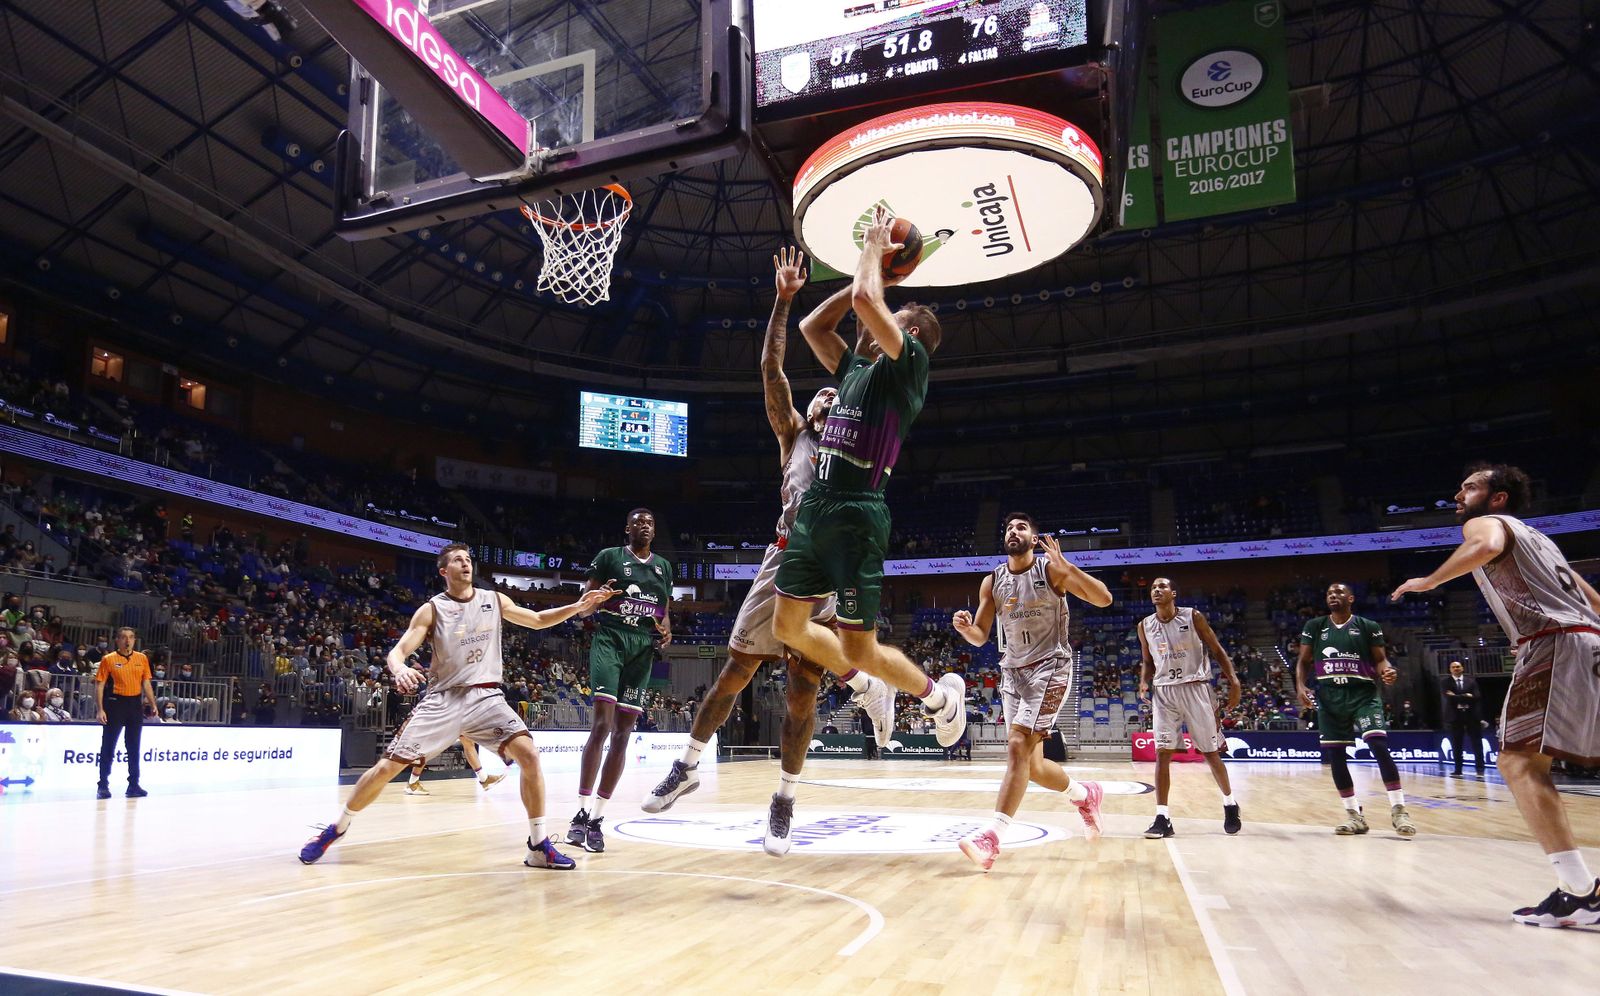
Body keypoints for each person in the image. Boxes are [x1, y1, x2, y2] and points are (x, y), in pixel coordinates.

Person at [642, 248, 857, 855]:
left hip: (824, 567)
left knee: (801, 695)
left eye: (829, 398)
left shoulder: (848, 444)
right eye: (814, 398)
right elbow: (772, 370)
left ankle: (784, 800)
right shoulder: (792, 436)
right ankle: (686, 766)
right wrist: (783, 301)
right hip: (780, 558)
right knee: (734, 671)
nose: (820, 400)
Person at [772, 206, 968, 753]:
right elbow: (816, 326)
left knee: (859, 645)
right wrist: (874, 273)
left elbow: (864, 301)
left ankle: (937, 699)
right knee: (787, 628)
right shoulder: (858, 371)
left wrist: (876, 265)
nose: (871, 320)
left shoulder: (909, 370)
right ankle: (868, 688)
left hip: (859, 513)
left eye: (889, 316)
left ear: (906, 333)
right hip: (818, 508)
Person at [298, 544, 615, 869]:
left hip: (487, 697)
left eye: (467, 559)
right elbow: (398, 651)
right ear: (443, 571)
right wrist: (400, 668)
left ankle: (537, 845)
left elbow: (536, 620)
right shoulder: (431, 610)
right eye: (457, 560)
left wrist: (578, 606)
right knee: (386, 769)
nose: (465, 563)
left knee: (530, 755)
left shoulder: (494, 600)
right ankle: (336, 829)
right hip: (443, 700)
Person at [1392, 463, 1600, 926]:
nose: (1458, 495)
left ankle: (1582, 892)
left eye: (1469, 487)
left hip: (1552, 641)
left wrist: (1428, 581)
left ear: (1498, 497)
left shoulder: (1488, 523)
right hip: (1588, 641)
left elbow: (1482, 545)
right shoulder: (1542, 540)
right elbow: (1594, 602)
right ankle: (1579, 890)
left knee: (1519, 762)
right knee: (1532, 762)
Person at [950, 514, 1113, 870]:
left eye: (1022, 527)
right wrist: (966, 629)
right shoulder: (992, 580)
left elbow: (1104, 599)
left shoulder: (1051, 570)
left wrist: (1069, 568)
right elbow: (981, 634)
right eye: (1009, 527)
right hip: (1013, 673)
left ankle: (991, 837)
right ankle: (1086, 795)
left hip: (1050, 667)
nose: (1014, 531)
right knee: (1032, 765)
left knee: (1016, 747)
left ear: (1035, 537)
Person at [567, 510, 672, 854]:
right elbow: (583, 609)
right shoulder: (609, 557)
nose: (644, 525)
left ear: (654, 531)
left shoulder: (664, 568)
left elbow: (664, 612)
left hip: (642, 648)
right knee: (602, 725)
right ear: (627, 528)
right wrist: (593, 602)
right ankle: (579, 812)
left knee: (624, 733)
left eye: (650, 522)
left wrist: (666, 630)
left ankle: (597, 817)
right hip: (611, 638)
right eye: (638, 521)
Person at [1295, 584, 1416, 837]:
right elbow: (1304, 661)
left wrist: (1387, 670)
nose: (1332, 596)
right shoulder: (1315, 626)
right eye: (1329, 593)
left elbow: (1381, 659)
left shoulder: (1368, 626)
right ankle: (1353, 815)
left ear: (1350, 598)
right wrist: (1300, 685)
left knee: (1379, 746)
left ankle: (1399, 810)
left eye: (1338, 593)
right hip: (1329, 697)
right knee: (1336, 756)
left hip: (1363, 694)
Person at [1137, 578, 1243, 838]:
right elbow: (1147, 661)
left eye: (1162, 587)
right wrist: (1142, 681)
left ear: (1173, 593)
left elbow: (1216, 650)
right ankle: (1163, 817)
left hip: (1196, 687)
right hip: (1164, 692)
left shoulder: (1193, 616)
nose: (1157, 591)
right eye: (1153, 588)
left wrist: (1234, 681)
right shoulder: (1144, 625)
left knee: (1210, 753)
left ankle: (1230, 804)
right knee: (1162, 753)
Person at [94, 627, 158, 798]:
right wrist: (100, 709)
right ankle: (103, 785)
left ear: (134, 640)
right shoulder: (108, 659)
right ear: (117, 640)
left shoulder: (142, 658)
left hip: (134, 704)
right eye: (123, 637)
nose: (127, 641)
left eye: (130, 637)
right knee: (109, 745)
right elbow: (99, 685)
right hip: (115, 703)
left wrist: (152, 703)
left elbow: (146, 683)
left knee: (134, 746)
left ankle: (133, 784)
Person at [406, 737, 506, 794]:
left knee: (468, 743)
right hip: (444, 714)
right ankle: (412, 783)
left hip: (453, 714)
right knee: (428, 747)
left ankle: (484, 779)